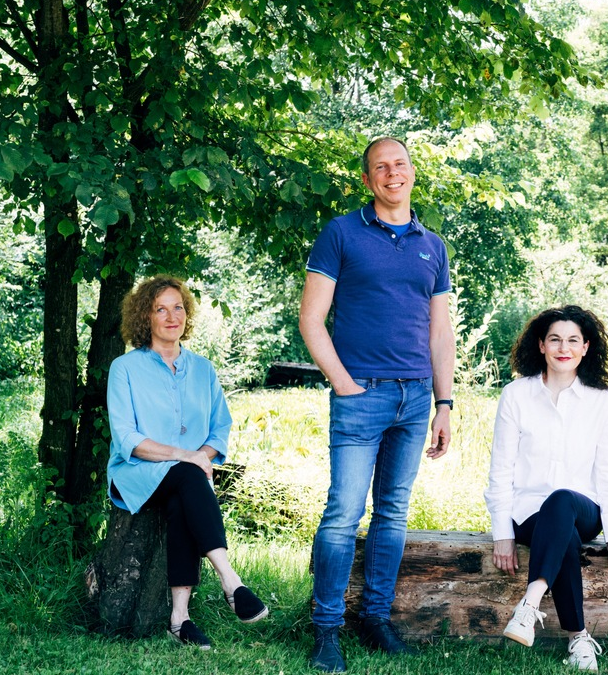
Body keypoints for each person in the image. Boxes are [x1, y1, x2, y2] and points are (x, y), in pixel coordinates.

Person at [300, 137, 456, 672]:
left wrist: (445, 402)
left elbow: (440, 333)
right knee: (343, 514)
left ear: (412, 172)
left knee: (392, 513)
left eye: (400, 164)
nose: (392, 173)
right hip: (360, 394)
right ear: (368, 180)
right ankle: (326, 630)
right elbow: (311, 320)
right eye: (380, 168)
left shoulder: (432, 245)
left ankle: (376, 618)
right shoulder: (341, 233)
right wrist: (344, 384)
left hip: (415, 399)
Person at [106, 275, 268, 650]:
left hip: (186, 480)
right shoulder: (125, 369)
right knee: (187, 473)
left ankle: (180, 618)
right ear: (145, 317)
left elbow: (219, 433)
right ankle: (232, 582)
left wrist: (199, 457)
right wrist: (188, 456)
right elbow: (127, 439)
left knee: (185, 489)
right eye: (160, 308)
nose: (171, 315)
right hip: (135, 475)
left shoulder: (203, 370)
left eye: (178, 307)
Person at [485, 306, 608, 673]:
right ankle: (578, 638)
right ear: (540, 345)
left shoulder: (603, 400)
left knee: (563, 498)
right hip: (527, 514)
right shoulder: (516, 395)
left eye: (572, 340)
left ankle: (530, 604)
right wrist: (502, 533)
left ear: (586, 347)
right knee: (562, 535)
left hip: (583, 508)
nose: (563, 348)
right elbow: (501, 469)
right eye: (555, 339)